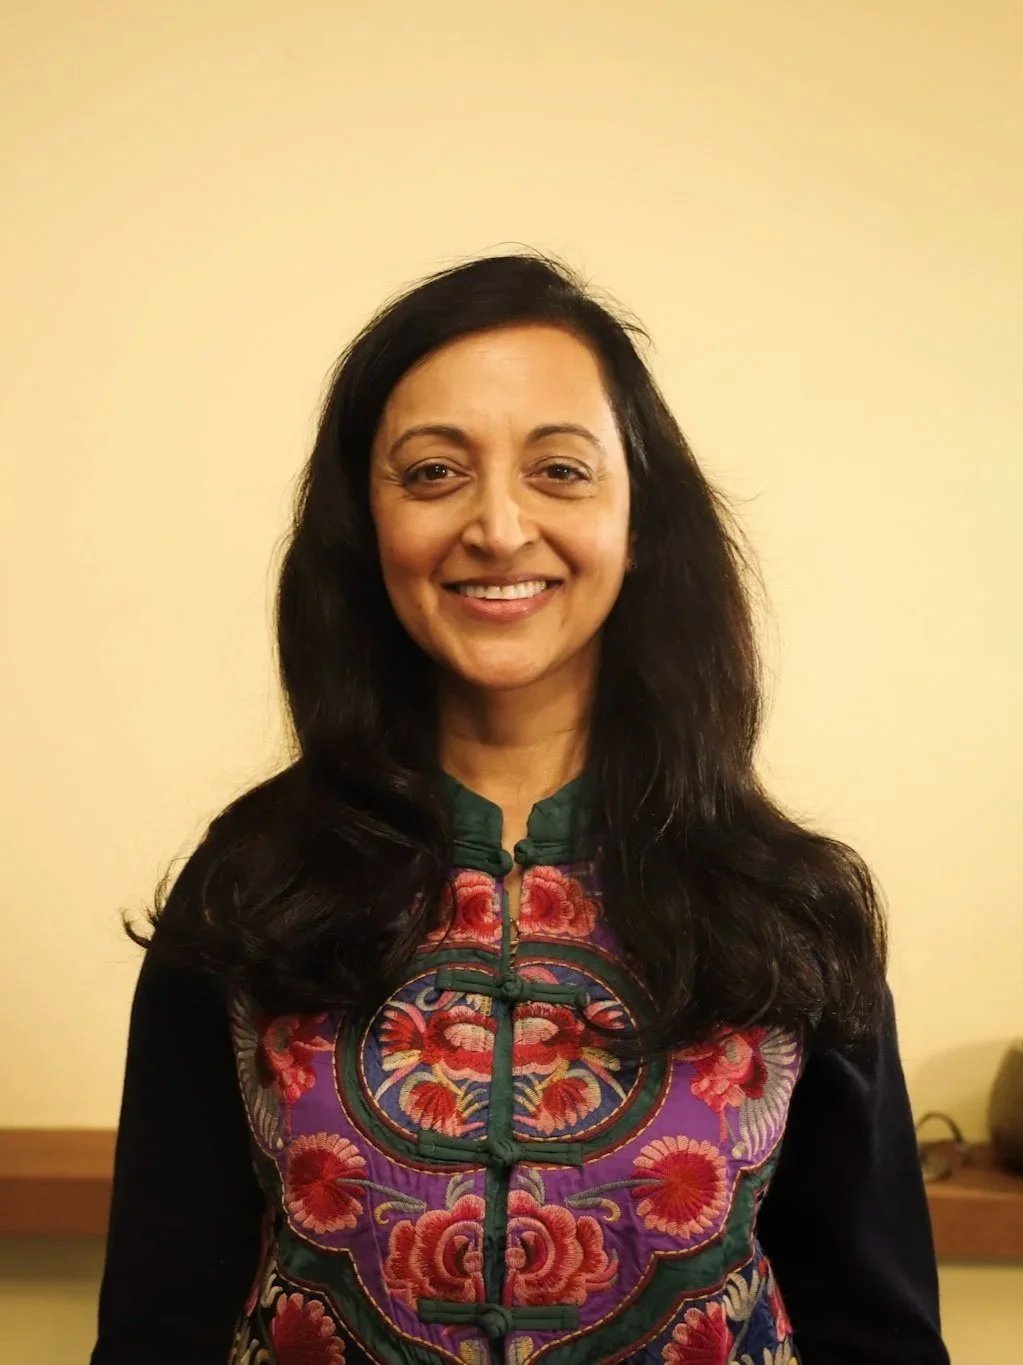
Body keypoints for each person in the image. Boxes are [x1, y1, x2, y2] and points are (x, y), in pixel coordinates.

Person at [91, 253, 949, 1365]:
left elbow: (876, 1331)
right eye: (435, 473)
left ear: (639, 521)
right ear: (367, 523)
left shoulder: (787, 901)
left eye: (559, 470)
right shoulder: (255, 879)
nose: (498, 528)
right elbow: (161, 1319)